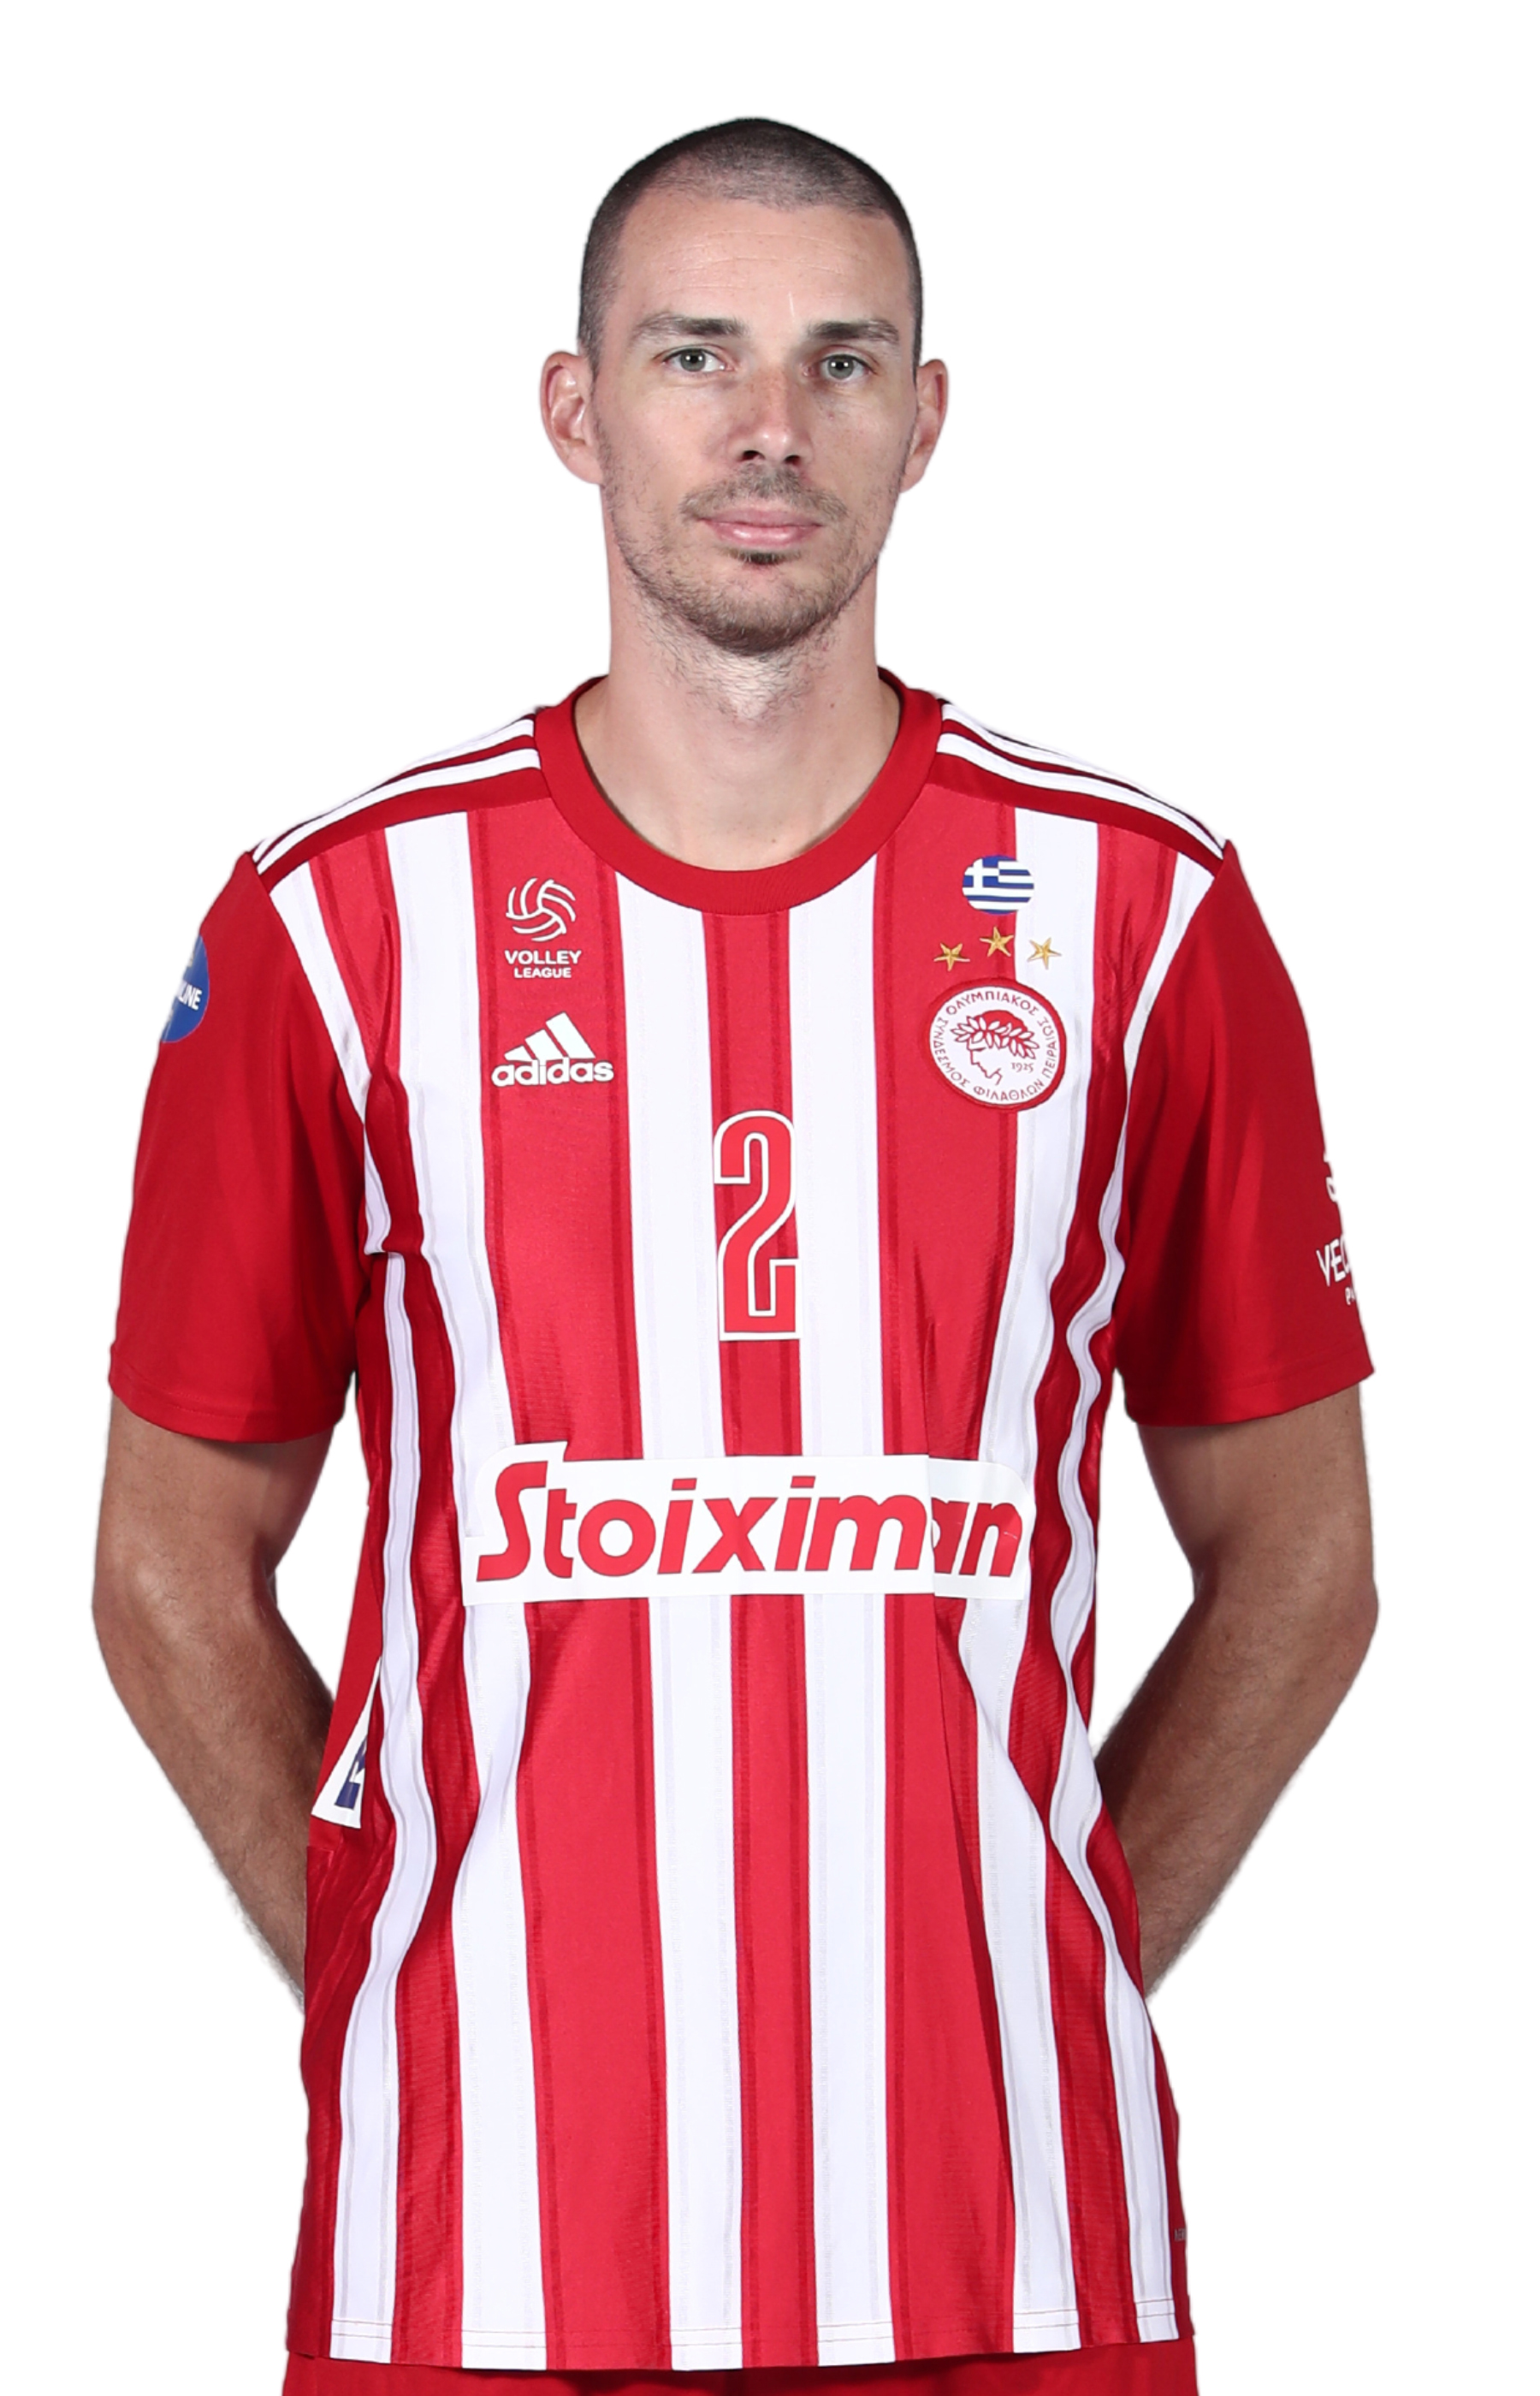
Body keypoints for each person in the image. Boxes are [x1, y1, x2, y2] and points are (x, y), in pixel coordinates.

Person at [95, 118, 1376, 2396]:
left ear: (926, 417)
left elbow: (1305, 1559)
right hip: (476, 2269)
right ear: (576, 409)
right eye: (697, 355)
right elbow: (167, 1555)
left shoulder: (1142, 916)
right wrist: (408, 1978)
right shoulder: (338, 925)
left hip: (1017, 2263)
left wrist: (1050, 1950)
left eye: (840, 361)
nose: (771, 425)